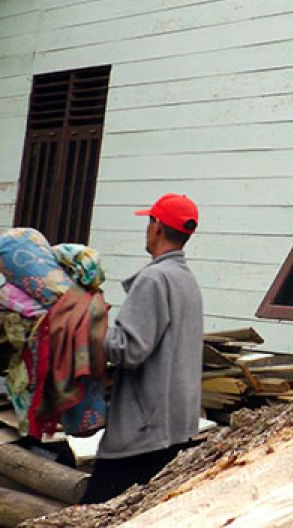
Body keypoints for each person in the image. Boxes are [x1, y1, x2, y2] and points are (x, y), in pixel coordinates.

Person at [82, 193, 204, 504]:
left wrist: (85, 326)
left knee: (95, 514)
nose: (146, 229)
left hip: (143, 431)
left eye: (149, 221)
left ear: (158, 227)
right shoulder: (185, 279)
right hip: (176, 426)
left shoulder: (154, 278)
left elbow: (128, 349)